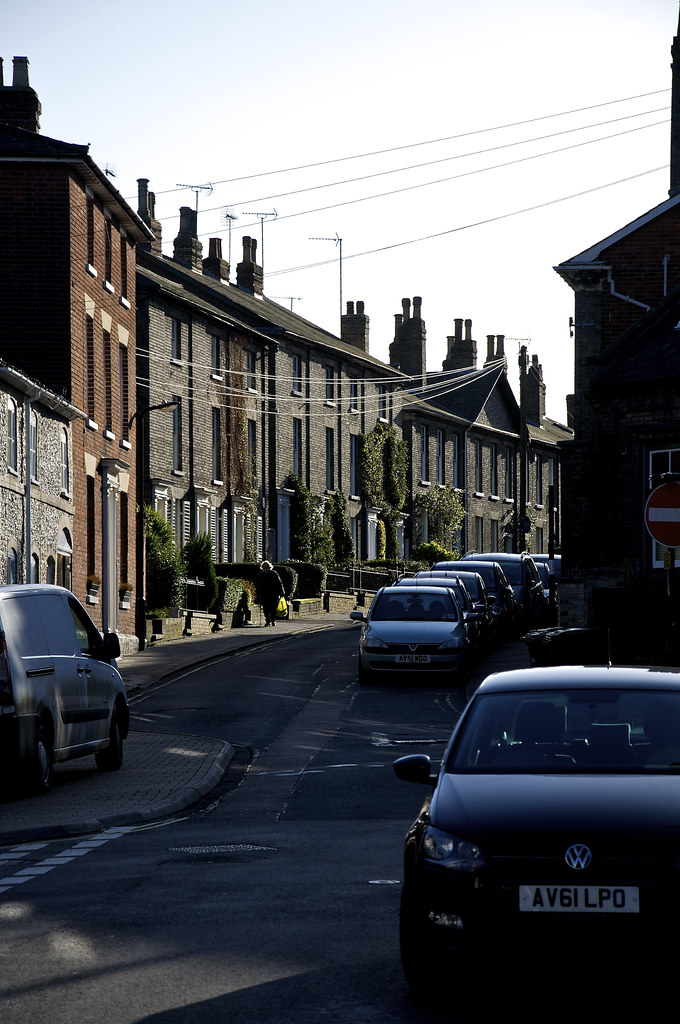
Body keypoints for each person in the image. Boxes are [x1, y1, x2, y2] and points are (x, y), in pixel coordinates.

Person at [255, 560, 285, 626]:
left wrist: (282, 592)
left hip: (273, 594)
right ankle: (268, 620)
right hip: (264, 594)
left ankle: (273, 620)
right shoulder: (260, 575)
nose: (265, 569)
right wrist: (258, 594)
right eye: (264, 568)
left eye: (267, 567)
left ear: (269, 567)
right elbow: (257, 585)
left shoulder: (274, 573)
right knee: (266, 608)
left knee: (273, 608)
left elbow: (279, 583)